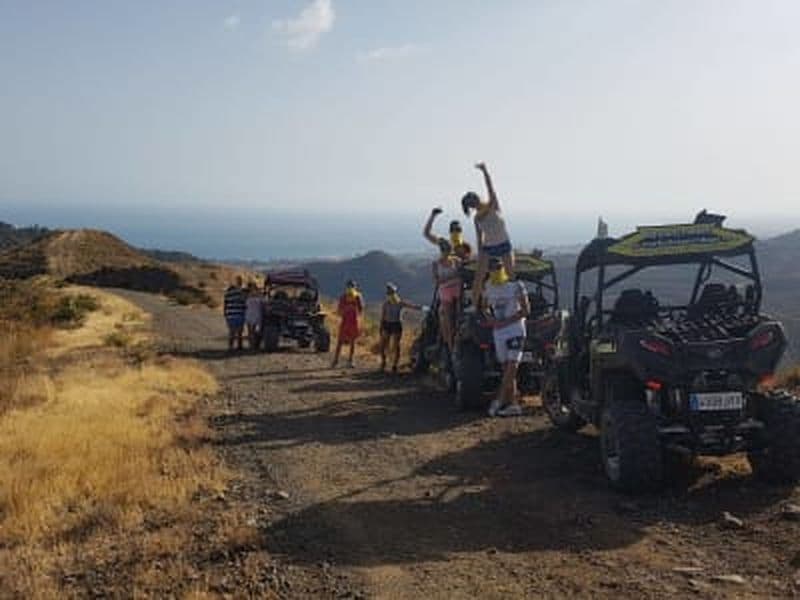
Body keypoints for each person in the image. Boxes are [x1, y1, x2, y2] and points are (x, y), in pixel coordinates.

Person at [462, 162, 515, 308]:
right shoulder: (479, 216)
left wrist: (485, 171)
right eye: (472, 201)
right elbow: (480, 239)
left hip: (503, 244)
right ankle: (475, 305)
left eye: (474, 198)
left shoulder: (492, 205)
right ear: (472, 205)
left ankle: (514, 303)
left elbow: (490, 187)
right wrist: (480, 255)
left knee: (511, 276)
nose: (475, 201)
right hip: (490, 247)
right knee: (479, 278)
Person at [483, 257, 530, 417]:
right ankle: (513, 404)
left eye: (498, 267)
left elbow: (525, 310)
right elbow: (484, 307)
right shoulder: (488, 286)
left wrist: (506, 321)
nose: (495, 270)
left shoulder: (516, 285)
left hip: (515, 329)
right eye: (492, 268)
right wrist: (490, 319)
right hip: (499, 332)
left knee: (512, 366)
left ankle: (500, 400)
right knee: (506, 370)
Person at [379, 282, 421, 373]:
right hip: (387, 324)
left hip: (396, 324)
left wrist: (422, 308)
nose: (390, 294)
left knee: (396, 345)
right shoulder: (386, 304)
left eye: (392, 292)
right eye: (389, 292)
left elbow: (412, 306)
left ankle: (394, 364)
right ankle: (384, 362)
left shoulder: (399, 303)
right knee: (384, 344)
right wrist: (381, 326)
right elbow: (383, 316)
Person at [432, 238, 462, 354]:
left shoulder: (456, 261)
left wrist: (448, 279)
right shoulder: (436, 264)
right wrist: (453, 277)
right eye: (445, 250)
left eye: (448, 250)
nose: (447, 252)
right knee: (448, 320)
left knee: (460, 316)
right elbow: (437, 281)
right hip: (445, 291)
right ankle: (451, 348)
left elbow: (462, 273)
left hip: (457, 289)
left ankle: (457, 342)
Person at [332, 280, 364, 368]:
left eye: (351, 286)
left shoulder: (357, 296)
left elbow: (361, 309)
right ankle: (337, 361)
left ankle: (348, 361)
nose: (350, 288)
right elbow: (340, 309)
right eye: (350, 286)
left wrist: (349, 309)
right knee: (342, 341)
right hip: (347, 321)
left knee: (351, 341)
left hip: (352, 321)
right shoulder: (345, 297)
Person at [223, 276, 246, 351]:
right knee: (239, 332)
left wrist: (225, 314)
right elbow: (244, 304)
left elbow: (225, 304)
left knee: (231, 332)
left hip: (230, 315)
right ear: (240, 283)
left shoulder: (228, 293)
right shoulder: (242, 293)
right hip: (239, 314)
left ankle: (230, 347)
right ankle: (239, 347)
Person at [244, 281, 265, 350]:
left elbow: (263, 303)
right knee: (251, 331)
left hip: (255, 314)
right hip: (251, 313)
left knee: (254, 331)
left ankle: (254, 345)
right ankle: (252, 345)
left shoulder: (257, 295)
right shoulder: (248, 295)